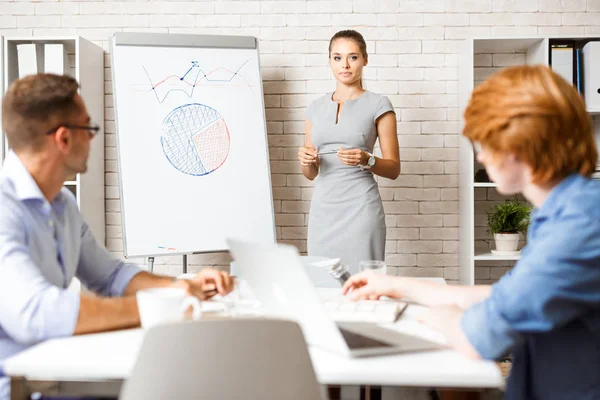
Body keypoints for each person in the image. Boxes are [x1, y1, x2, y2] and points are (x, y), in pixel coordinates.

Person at [343, 65, 600, 399]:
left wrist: (444, 318)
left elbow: (479, 337)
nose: (480, 155)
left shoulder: (577, 226)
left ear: (518, 147)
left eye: (485, 143)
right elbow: (505, 299)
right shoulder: (569, 209)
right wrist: (394, 285)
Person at [0, 74, 235, 400]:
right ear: (64, 139)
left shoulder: (62, 203)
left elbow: (111, 276)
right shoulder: (4, 207)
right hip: (19, 388)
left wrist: (182, 287)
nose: (92, 139)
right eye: (89, 129)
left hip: (58, 375)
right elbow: (36, 314)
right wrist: (157, 308)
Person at [298, 30, 400, 273]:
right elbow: (311, 174)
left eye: (353, 57)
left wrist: (368, 159)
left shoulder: (379, 104)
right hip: (323, 211)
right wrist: (305, 160)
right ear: (330, 61)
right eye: (337, 57)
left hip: (361, 209)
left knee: (364, 285)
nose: (344, 65)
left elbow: (394, 169)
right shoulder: (315, 108)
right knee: (323, 283)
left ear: (365, 59)